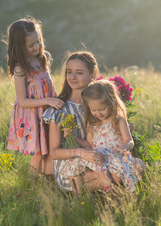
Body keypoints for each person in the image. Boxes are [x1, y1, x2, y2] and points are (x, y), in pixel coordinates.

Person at [42, 51, 113, 193]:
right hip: (70, 172)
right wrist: (82, 153)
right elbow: (54, 152)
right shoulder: (59, 109)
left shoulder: (99, 106)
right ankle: (110, 205)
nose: (72, 77)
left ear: (92, 75)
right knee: (114, 176)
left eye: (79, 73)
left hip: (98, 161)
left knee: (137, 166)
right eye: (69, 72)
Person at [5, 16, 64, 174]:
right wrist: (48, 101)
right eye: (30, 45)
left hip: (47, 111)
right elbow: (23, 101)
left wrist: (58, 100)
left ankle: (46, 179)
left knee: (50, 148)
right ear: (19, 47)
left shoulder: (42, 59)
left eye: (38, 41)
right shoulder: (20, 68)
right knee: (38, 153)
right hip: (32, 115)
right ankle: (31, 183)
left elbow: (49, 87)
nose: (36, 46)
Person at [79, 80, 146, 192]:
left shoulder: (117, 120)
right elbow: (89, 144)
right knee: (100, 171)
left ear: (111, 103)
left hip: (116, 157)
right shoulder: (92, 123)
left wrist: (124, 147)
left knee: (120, 175)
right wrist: (74, 138)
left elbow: (129, 141)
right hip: (102, 160)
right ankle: (110, 192)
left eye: (102, 109)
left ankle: (123, 193)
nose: (98, 114)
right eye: (94, 110)